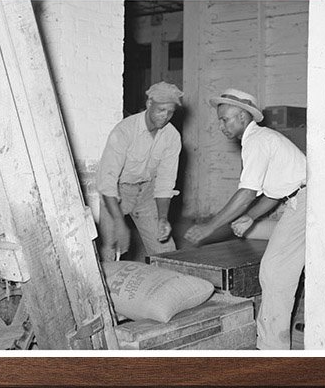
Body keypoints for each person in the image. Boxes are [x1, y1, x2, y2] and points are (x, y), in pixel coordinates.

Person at [183, 88, 306, 350]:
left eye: (225, 119)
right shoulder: (261, 139)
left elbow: (246, 193)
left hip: (307, 204)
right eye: (219, 120)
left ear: (241, 116)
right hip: (297, 200)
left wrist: (209, 226)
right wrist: (249, 217)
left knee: (274, 272)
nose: (220, 126)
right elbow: (276, 192)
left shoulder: (257, 141)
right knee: (262, 245)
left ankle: (271, 348)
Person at [96, 81, 184, 261]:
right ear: (149, 104)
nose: (166, 116)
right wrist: (120, 223)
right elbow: (106, 181)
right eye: (161, 110)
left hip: (147, 193)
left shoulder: (172, 137)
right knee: (110, 249)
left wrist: (163, 218)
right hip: (118, 192)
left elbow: (165, 183)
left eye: (171, 112)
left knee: (167, 251)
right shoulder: (124, 131)